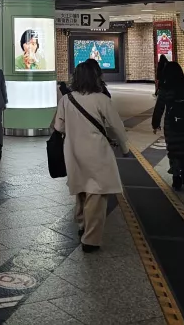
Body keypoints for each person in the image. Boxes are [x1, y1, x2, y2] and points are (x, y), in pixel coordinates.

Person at [54, 60, 130, 252]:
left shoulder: (66, 99)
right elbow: (117, 127)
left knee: (81, 187)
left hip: (73, 151)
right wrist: (124, 148)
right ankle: (90, 239)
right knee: (97, 193)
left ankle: (82, 224)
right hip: (97, 152)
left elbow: (59, 127)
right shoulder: (102, 99)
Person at [152, 61, 184, 190]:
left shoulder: (165, 89)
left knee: (174, 151)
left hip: (172, 125)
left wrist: (155, 124)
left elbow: (159, 108)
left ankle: (176, 176)